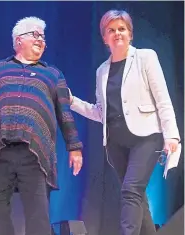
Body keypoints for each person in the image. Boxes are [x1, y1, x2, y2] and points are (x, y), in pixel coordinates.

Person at [0, 16, 83, 235]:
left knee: (38, 215)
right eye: (35, 34)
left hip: (35, 154)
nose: (41, 40)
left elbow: (64, 114)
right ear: (18, 40)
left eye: (43, 37)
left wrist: (74, 147)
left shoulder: (53, 74)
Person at [69, 9, 180, 235]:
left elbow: (162, 99)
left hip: (147, 138)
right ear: (104, 37)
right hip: (116, 143)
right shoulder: (102, 71)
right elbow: (101, 112)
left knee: (130, 191)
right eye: (111, 30)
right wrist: (71, 101)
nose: (117, 33)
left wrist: (172, 135)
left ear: (130, 34)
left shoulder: (146, 57)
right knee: (137, 197)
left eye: (122, 29)